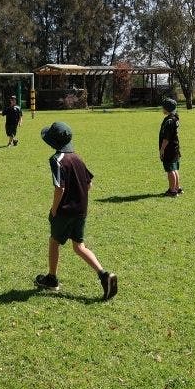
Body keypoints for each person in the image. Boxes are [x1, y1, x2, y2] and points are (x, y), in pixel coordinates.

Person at [34, 121, 118, 301]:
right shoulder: (78, 158)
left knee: (54, 241)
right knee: (79, 246)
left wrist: (54, 210)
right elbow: (89, 184)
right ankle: (104, 275)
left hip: (64, 211)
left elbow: (59, 188)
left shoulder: (56, 160)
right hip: (81, 210)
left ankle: (52, 279)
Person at [159, 98, 182, 197]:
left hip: (169, 149)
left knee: (170, 170)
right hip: (175, 147)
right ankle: (177, 187)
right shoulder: (174, 118)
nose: (162, 109)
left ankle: (172, 191)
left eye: (163, 107)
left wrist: (162, 149)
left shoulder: (169, 121)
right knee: (175, 168)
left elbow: (166, 138)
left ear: (167, 108)